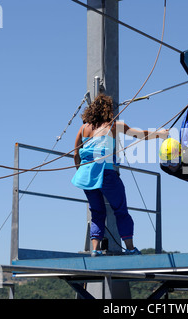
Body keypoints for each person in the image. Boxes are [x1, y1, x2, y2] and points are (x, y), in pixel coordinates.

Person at [72, 94, 169, 257]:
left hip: (85, 175)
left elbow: (76, 154)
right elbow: (141, 134)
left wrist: (81, 172)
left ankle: (95, 250)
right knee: (121, 210)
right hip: (106, 174)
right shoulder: (114, 125)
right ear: (108, 110)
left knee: (96, 212)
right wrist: (160, 134)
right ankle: (130, 248)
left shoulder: (83, 129)